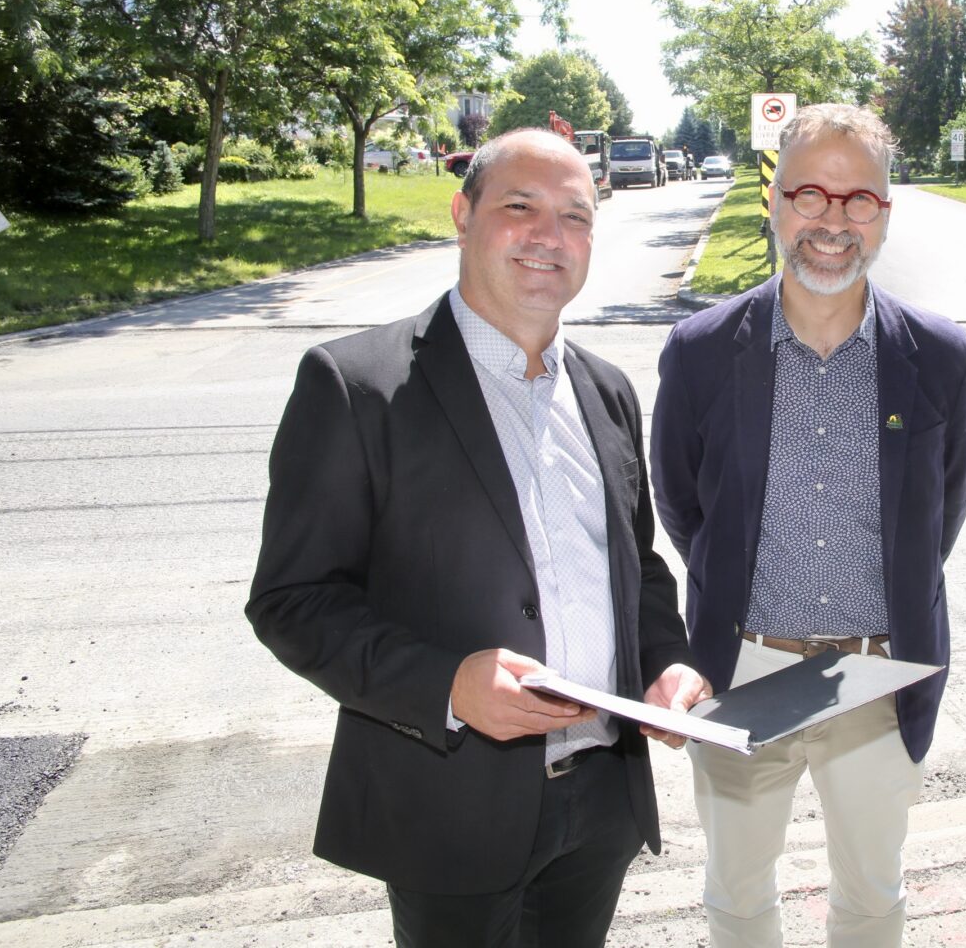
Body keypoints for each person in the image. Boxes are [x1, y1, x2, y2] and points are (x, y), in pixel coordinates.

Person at [246, 128, 709, 948]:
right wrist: (446, 685)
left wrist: (664, 662)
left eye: (575, 216)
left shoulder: (606, 390)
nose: (549, 236)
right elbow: (293, 600)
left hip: (603, 797)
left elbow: (635, 568)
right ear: (462, 215)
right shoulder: (356, 385)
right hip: (450, 803)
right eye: (519, 207)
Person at [649, 103, 966, 948]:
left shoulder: (940, 358)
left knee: (872, 899)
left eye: (858, 199)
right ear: (774, 202)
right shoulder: (700, 349)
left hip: (877, 673)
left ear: (885, 213)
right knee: (736, 893)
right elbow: (683, 503)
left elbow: (942, 512)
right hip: (743, 668)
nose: (833, 220)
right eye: (810, 194)